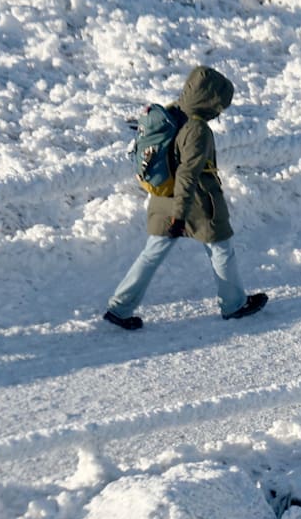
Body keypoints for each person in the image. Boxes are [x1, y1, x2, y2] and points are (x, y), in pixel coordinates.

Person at [103, 66, 267, 330]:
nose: (221, 110)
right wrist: (180, 215)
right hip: (195, 202)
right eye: (220, 104)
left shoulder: (172, 113)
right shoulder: (197, 130)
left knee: (152, 254)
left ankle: (119, 308)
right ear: (210, 100)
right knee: (221, 248)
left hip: (163, 196)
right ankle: (234, 305)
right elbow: (188, 175)